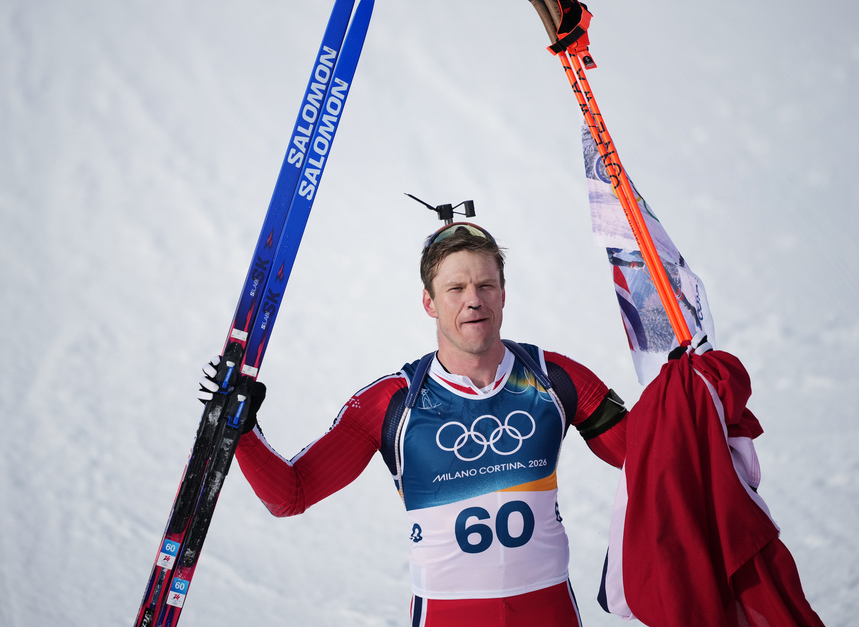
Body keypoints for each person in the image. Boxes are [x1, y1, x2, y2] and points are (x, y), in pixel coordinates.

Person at [202, 222, 632, 626]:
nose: (473, 300)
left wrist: (687, 388)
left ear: (503, 293)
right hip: (449, 614)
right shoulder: (392, 404)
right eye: (456, 288)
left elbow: (647, 457)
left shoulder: (555, 379)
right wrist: (242, 432)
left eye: (485, 285)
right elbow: (291, 495)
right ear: (429, 302)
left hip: (548, 608)